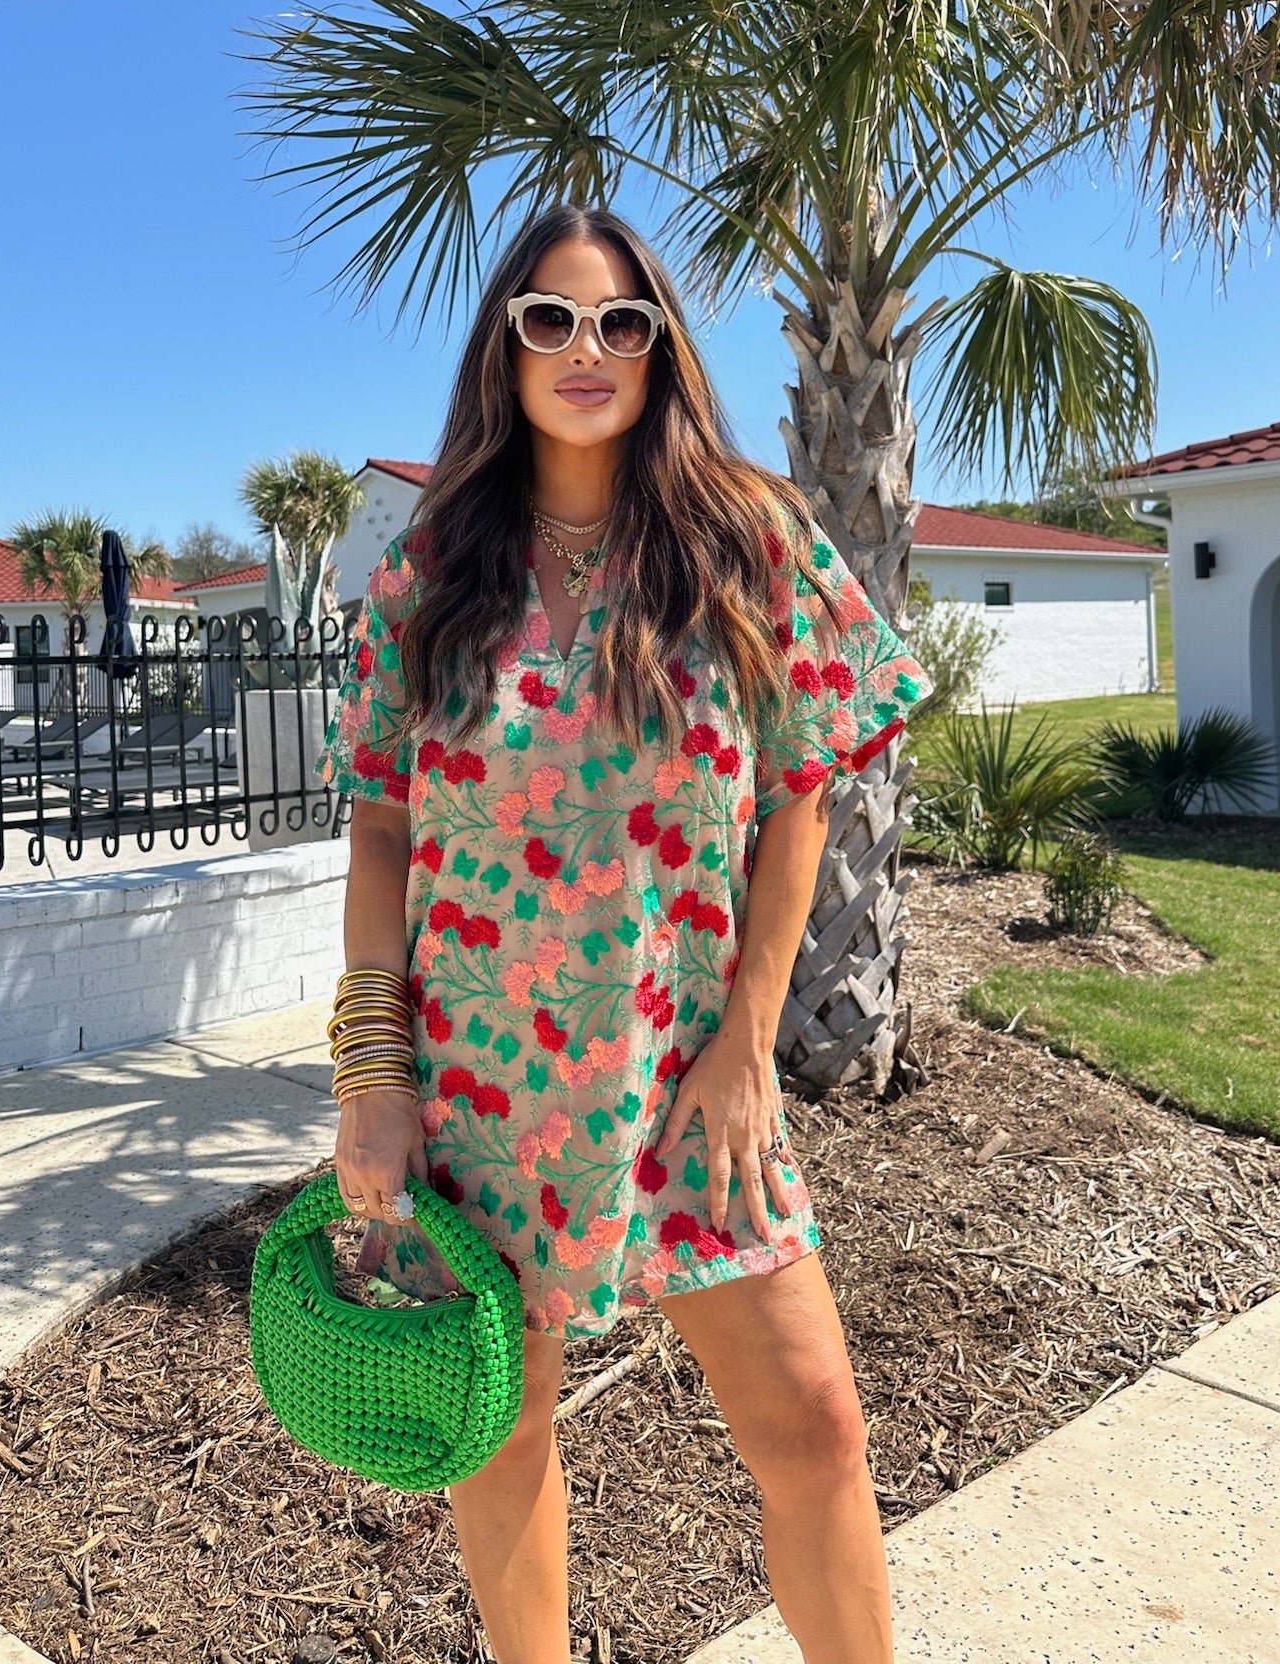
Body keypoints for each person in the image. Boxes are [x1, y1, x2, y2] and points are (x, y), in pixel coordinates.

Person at [317, 201, 933, 1664]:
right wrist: (371, 1076)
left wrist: (751, 1040)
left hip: (690, 1080)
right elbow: (382, 828)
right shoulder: (430, 566)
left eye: (620, 322)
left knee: (817, 1427)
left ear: (660, 349)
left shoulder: (744, 535)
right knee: (497, 1429)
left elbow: (799, 787)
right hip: (480, 1082)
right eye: (550, 319)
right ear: (506, 348)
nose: (584, 348)